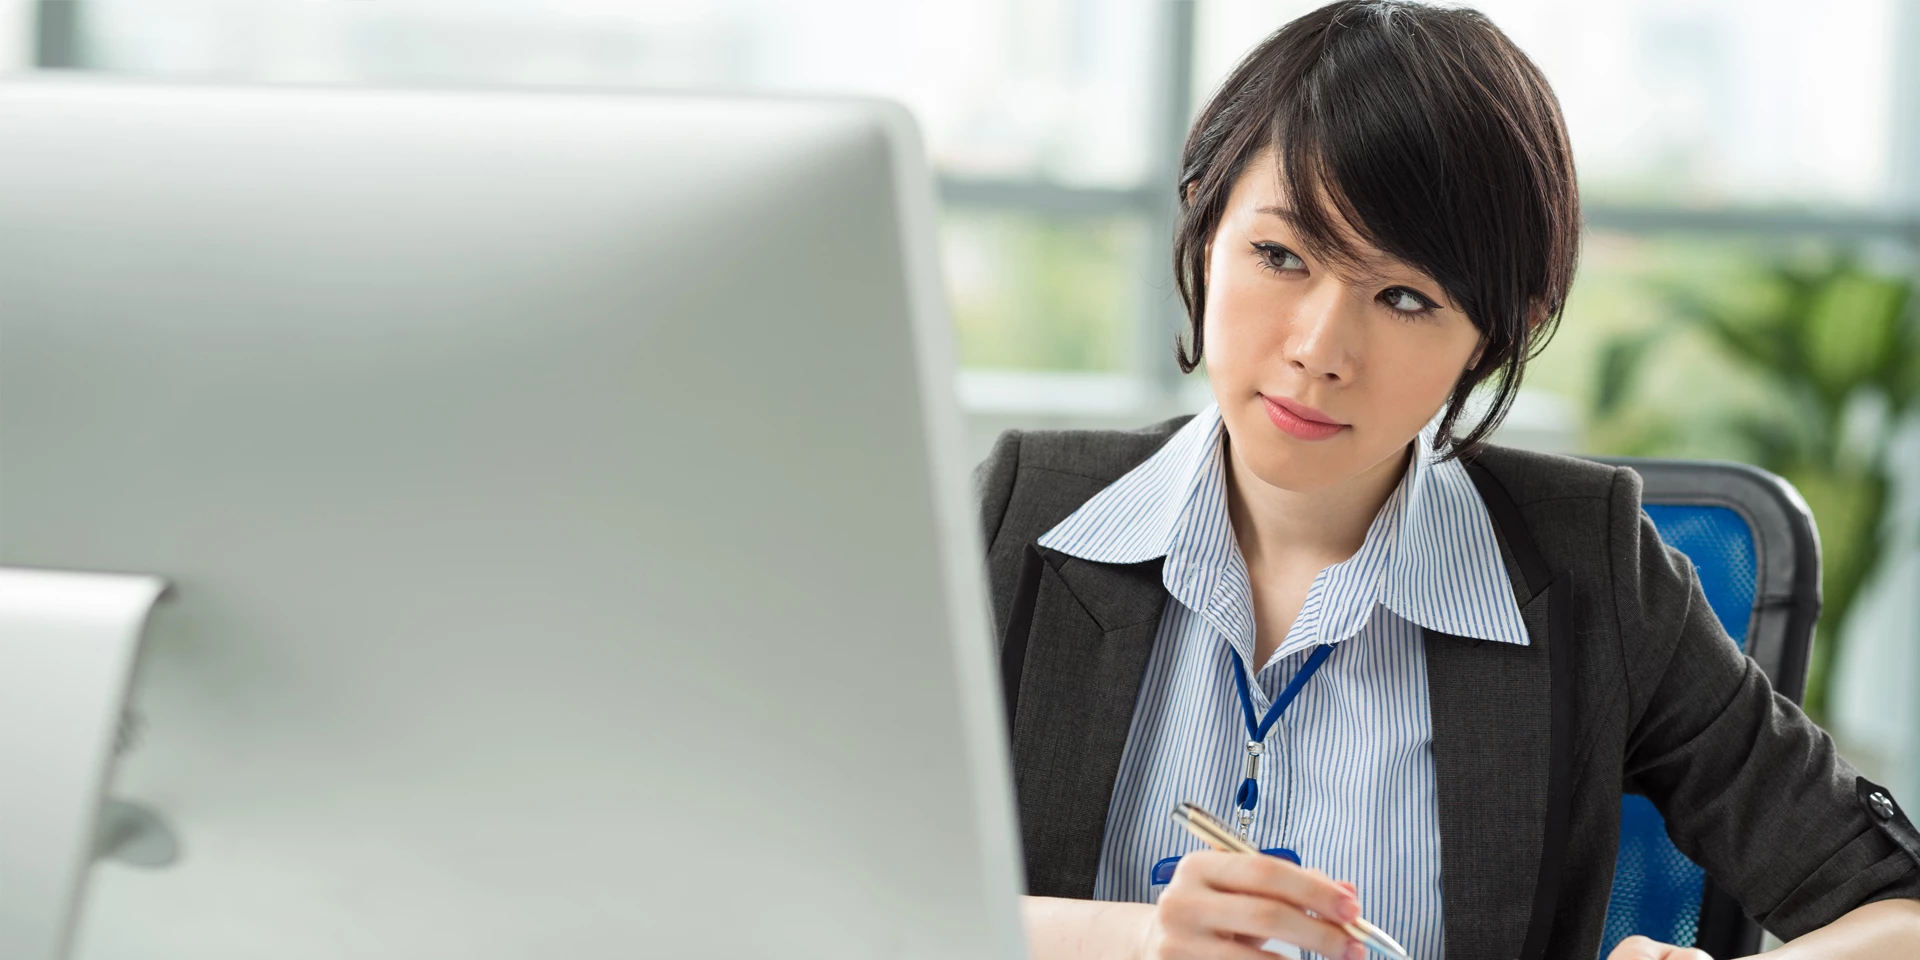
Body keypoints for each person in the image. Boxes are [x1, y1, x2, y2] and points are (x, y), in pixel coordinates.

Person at [971, 3, 1920, 959]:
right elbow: (834, 869)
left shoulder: (1591, 569)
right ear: (1205, 224)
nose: (1319, 350)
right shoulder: (1018, 518)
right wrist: (1134, 943)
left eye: (1404, 298)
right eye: (1280, 255)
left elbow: (1895, 910)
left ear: (1493, 335)